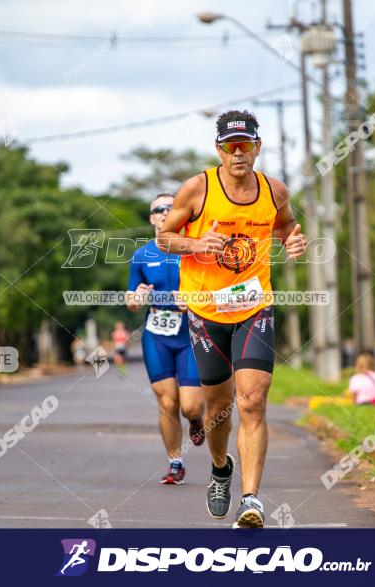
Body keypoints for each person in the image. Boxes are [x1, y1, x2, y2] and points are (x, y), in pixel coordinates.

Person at [157, 110, 306, 528]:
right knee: (218, 408)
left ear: (258, 147)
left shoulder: (273, 190)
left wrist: (292, 239)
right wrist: (196, 242)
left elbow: (287, 224)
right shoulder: (197, 188)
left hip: (254, 307)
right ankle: (221, 468)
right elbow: (163, 237)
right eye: (229, 146)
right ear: (218, 150)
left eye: (245, 145)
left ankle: (252, 499)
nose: (237, 153)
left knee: (253, 401)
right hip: (206, 312)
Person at [126, 193, 206, 485]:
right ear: (151, 218)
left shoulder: (194, 251)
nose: (164, 212)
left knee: (190, 406)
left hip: (190, 333)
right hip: (157, 333)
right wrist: (138, 298)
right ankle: (175, 462)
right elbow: (132, 299)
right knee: (166, 401)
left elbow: (213, 290)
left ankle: (196, 420)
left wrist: (194, 301)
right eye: (159, 209)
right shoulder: (141, 255)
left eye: (171, 208)